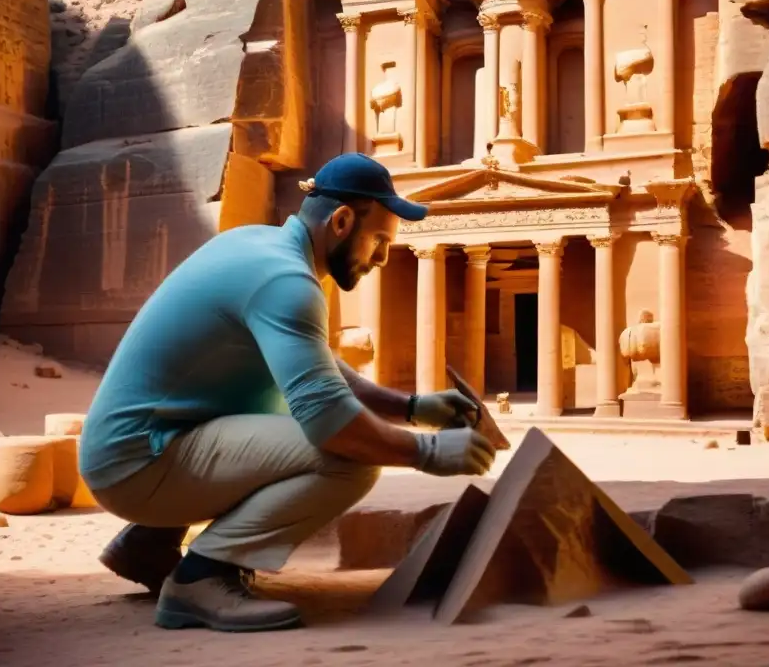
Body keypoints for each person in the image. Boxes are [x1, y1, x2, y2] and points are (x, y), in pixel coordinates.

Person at [78, 152, 497, 633]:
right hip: (137, 463)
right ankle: (200, 579)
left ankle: (148, 546)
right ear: (342, 222)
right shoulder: (286, 282)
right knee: (350, 457)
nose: (382, 257)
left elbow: (317, 369)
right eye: (379, 240)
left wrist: (411, 407)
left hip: (132, 449)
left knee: (281, 404)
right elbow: (328, 419)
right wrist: (427, 451)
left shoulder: (255, 245)